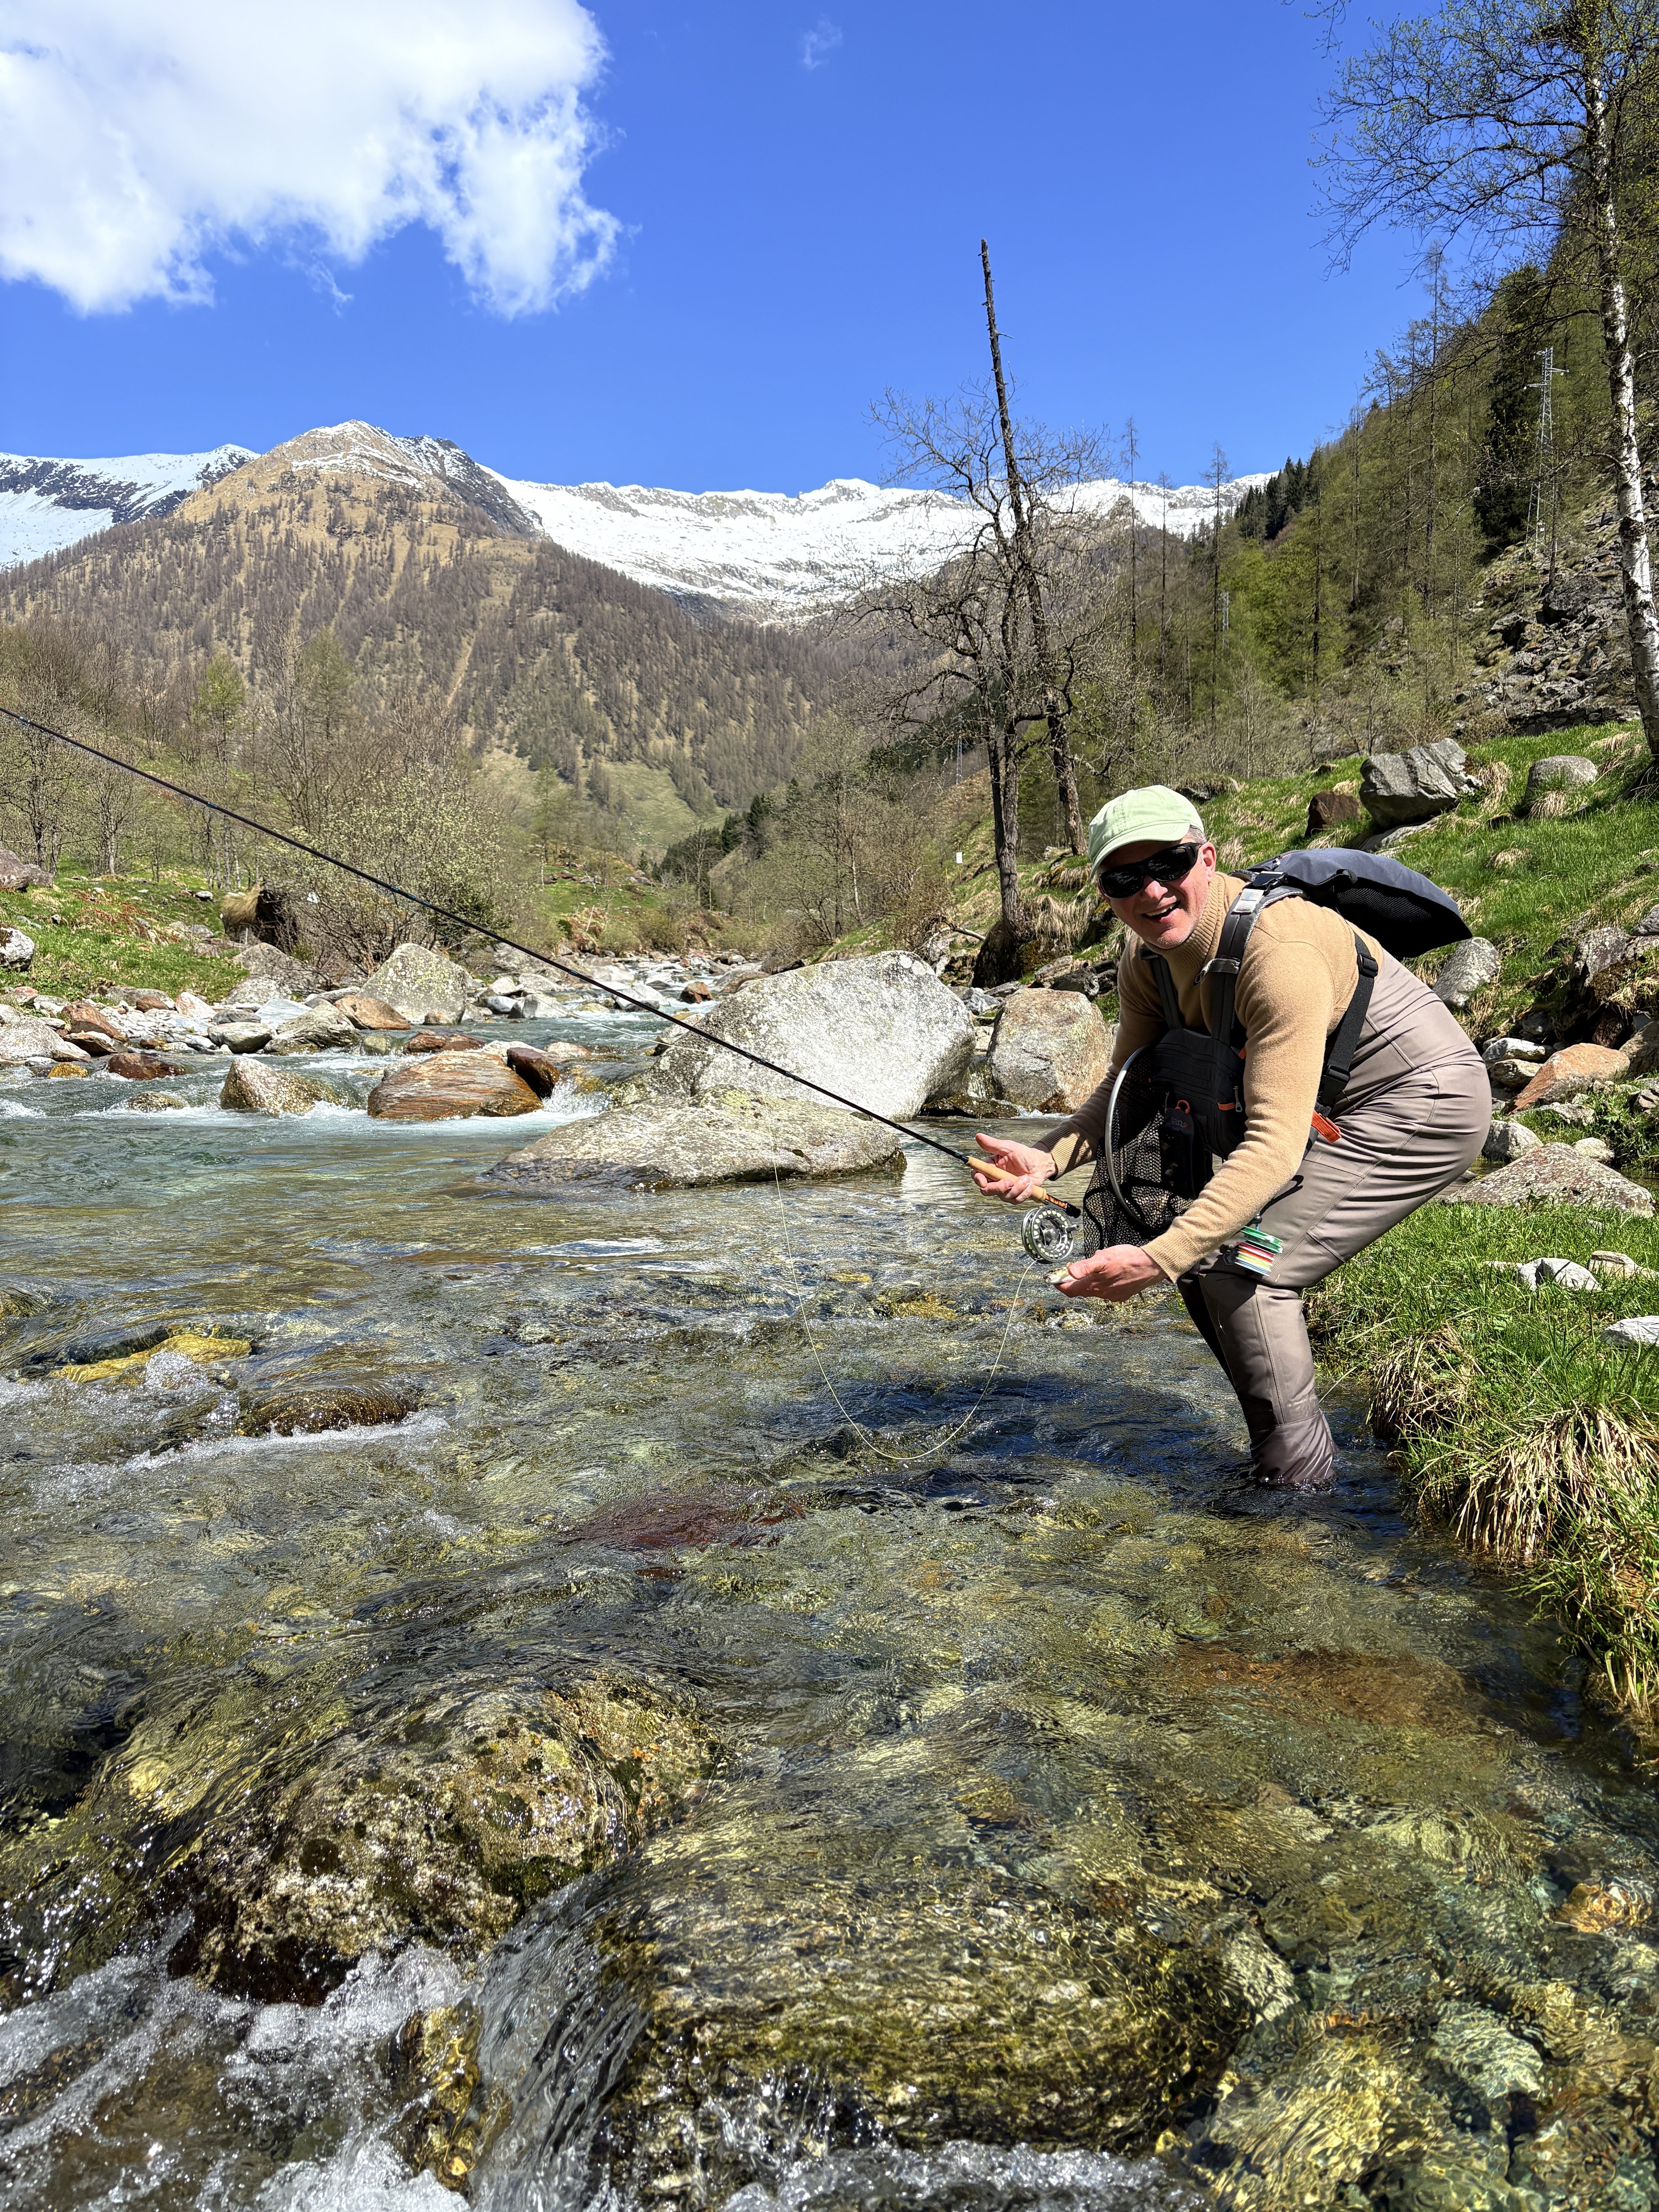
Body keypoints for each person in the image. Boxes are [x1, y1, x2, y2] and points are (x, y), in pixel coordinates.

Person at [972, 785, 1491, 1488]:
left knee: (1247, 1270)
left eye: (1171, 864)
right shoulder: (1145, 959)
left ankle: (1299, 1493)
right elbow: (1130, 1087)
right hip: (1327, 1102)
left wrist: (1156, 1259)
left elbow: (1275, 1145)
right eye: (1125, 878)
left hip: (1423, 1103)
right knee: (1209, 1257)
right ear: (1105, 890)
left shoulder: (1280, 953)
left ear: (1207, 859)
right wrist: (1048, 1156)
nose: (1152, 891)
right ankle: (1276, 1452)